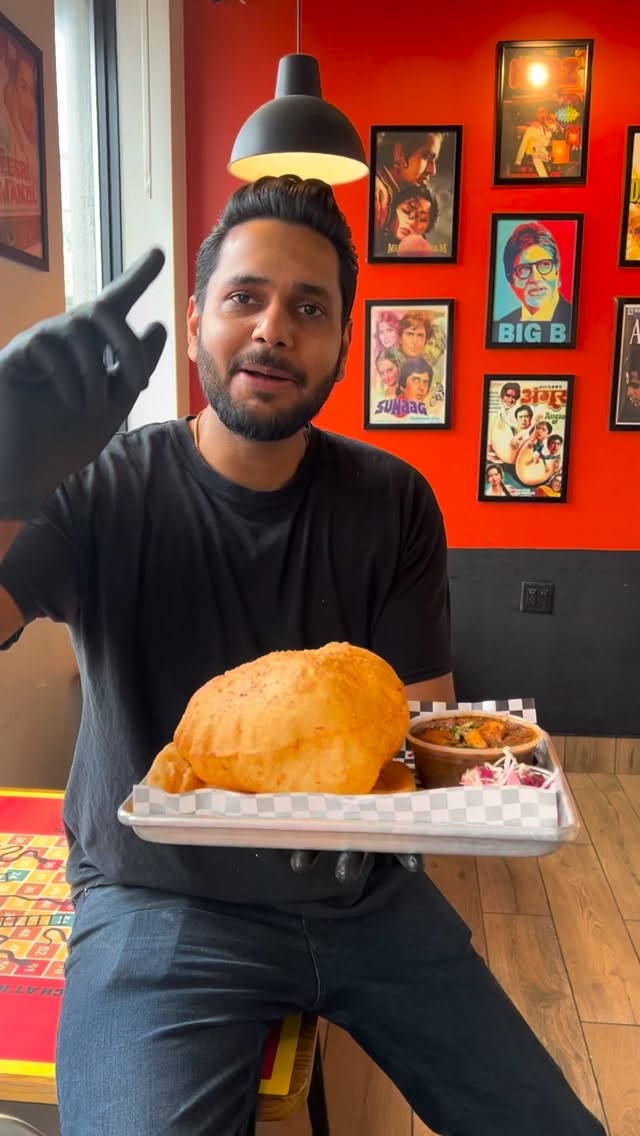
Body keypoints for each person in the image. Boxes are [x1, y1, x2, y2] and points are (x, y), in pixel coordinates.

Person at [0, 175, 604, 1136]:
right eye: (246, 297)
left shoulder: (392, 500)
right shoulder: (102, 488)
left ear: (341, 344)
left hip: (359, 899)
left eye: (309, 307)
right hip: (160, 905)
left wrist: (500, 783)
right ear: (197, 318)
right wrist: (5, 476)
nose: (274, 328)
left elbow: (420, 737)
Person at [492, 221, 573, 345]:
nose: (535, 278)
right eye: (524, 269)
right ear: (510, 279)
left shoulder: (577, 320)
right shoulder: (499, 329)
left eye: (544, 265)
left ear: (557, 270)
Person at [373, 130, 443, 236]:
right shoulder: (378, 196)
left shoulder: (388, 192)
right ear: (399, 153)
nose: (432, 170)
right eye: (427, 157)